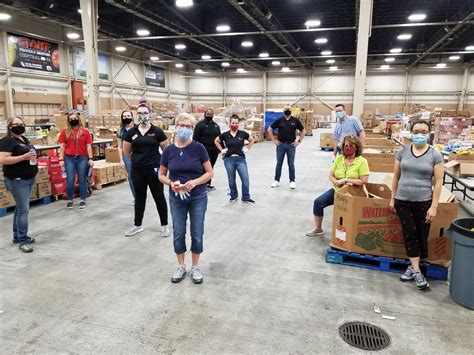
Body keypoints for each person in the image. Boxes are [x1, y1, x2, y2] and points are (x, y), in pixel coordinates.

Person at [159, 113, 213, 284]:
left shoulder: (199, 148)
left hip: (198, 197)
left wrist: (195, 182)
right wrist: (170, 183)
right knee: (179, 232)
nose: (185, 128)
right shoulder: (169, 150)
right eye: (182, 125)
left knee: (197, 232)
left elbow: (210, 172)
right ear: (176, 127)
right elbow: (161, 174)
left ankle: (195, 267)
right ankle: (181, 265)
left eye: (189, 126)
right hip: (176, 197)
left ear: (192, 129)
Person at [389, 120, 443, 290]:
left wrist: (434, 206)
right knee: (410, 233)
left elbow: (439, 181)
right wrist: (393, 198)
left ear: (429, 133)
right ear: (411, 133)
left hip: (423, 202)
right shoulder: (402, 152)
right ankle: (418, 272)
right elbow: (396, 176)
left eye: (424, 132)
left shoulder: (435, 155)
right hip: (403, 200)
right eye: (416, 131)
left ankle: (412, 267)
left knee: (421, 235)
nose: (420, 135)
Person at [123, 100, 169, 238]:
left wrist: (161, 167)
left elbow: (165, 151)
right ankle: (138, 225)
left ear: (150, 115)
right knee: (139, 198)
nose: (143, 115)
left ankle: (165, 226)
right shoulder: (132, 132)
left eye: (145, 113)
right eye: (140, 113)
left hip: (154, 170)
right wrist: (139, 161)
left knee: (159, 197)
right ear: (137, 115)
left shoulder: (157, 132)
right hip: (137, 171)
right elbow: (126, 152)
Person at [306, 135, 369, 237]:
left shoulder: (362, 161)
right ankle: (318, 228)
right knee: (318, 202)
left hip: (353, 193)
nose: (348, 147)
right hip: (337, 190)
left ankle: (351, 233)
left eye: (351, 145)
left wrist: (347, 180)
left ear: (356, 147)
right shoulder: (339, 159)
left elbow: (364, 181)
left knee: (347, 213)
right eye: (346, 145)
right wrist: (336, 182)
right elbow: (331, 175)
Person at [0, 117, 38, 253]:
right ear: (10, 126)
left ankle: (17, 236)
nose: (19, 126)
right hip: (17, 180)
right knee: (23, 210)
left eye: (21, 124)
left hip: (28, 178)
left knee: (20, 208)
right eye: (16, 124)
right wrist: (23, 157)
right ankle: (23, 240)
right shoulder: (7, 141)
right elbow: (3, 159)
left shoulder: (23, 139)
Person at [214, 114, 255, 203]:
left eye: (236, 123)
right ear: (230, 124)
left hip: (240, 159)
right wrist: (221, 150)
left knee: (245, 178)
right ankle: (233, 195)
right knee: (231, 179)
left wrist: (247, 148)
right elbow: (216, 141)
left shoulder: (242, 134)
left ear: (238, 124)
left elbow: (252, 140)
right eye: (233, 123)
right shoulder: (225, 135)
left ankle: (245, 197)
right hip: (229, 159)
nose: (234, 125)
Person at [58, 112, 94, 209]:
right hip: (69, 159)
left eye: (75, 118)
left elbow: (88, 146)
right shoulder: (64, 132)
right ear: (68, 121)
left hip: (82, 158)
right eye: (71, 119)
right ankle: (70, 199)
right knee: (70, 180)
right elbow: (62, 146)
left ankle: (83, 199)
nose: (73, 120)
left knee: (82, 179)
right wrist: (60, 159)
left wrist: (90, 158)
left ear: (78, 119)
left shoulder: (85, 132)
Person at [267, 105, 305, 189]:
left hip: (291, 145)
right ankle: (276, 180)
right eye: (286, 109)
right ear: (283, 111)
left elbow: (303, 131)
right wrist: (274, 140)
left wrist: (298, 141)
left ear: (291, 110)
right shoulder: (279, 120)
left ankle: (292, 181)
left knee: (291, 164)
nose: (287, 110)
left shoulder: (295, 120)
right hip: (281, 145)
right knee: (279, 163)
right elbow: (269, 129)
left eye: (289, 109)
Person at [193, 108, 220, 190]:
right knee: (203, 167)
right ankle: (201, 184)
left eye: (211, 114)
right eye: (208, 114)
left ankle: (208, 184)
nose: (209, 116)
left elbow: (220, 138)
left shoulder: (216, 125)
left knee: (211, 167)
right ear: (205, 114)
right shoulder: (200, 125)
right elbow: (195, 138)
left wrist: (219, 149)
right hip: (203, 150)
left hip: (214, 150)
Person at [117, 110, 136, 205]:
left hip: (139, 155)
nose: (126, 118)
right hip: (127, 157)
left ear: (132, 117)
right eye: (124, 116)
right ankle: (136, 197)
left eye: (128, 116)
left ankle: (141, 194)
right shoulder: (121, 131)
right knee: (131, 177)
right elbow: (119, 147)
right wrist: (121, 160)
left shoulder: (138, 128)